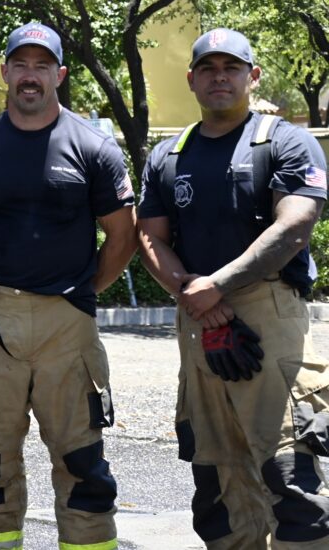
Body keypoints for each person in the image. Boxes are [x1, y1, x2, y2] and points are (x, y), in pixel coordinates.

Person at [0, 22, 136, 550]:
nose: (31, 76)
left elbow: (123, 235)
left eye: (42, 66)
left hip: (67, 323)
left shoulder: (94, 147)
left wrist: (82, 293)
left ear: (60, 74)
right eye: (22, 65)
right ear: (5, 72)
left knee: (82, 464)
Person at [137, 28, 329, 548]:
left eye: (231, 68)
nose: (219, 77)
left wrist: (216, 286)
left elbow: (294, 227)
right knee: (218, 488)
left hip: (269, 314)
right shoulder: (168, 155)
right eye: (208, 68)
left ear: (253, 76)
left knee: (291, 476)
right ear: (191, 79)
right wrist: (190, 291)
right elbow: (149, 237)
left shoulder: (286, 141)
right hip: (197, 320)